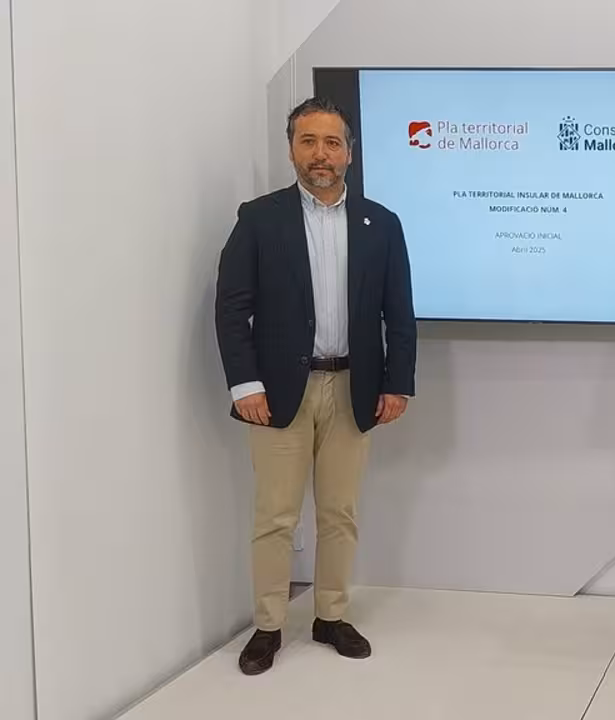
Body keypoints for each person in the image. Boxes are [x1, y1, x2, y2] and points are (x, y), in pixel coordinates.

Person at [214, 97, 417, 676]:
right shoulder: (259, 218)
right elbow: (231, 309)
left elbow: (399, 314)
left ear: (349, 152)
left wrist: (397, 382)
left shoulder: (382, 223)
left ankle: (331, 616)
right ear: (291, 151)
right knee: (276, 516)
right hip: (278, 393)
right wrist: (245, 385)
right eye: (308, 142)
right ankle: (268, 625)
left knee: (339, 512)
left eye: (331, 142)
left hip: (355, 387)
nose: (320, 154)